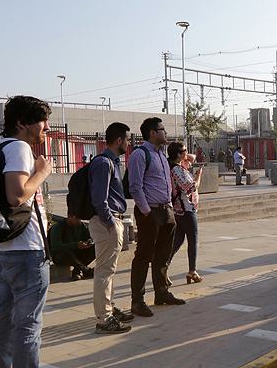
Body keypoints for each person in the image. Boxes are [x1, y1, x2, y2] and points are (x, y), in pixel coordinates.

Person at [0, 95, 52, 367]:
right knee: (28, 327)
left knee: (2, 328)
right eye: (42, 121)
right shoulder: (18, 147)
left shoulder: (0, 146)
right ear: (21, 123)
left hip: (3, 249)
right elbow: (16, 195)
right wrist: (41, 172)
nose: (46, 126)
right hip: (27, 251)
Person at [128, 117, 183, 318]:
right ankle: (137, 301)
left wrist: (170, 209)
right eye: (162, 129)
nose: (165, 133)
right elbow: (135, 186)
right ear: (152, 132)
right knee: (144, 256)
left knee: (162, 255)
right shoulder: (140, 155)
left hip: (166, 211)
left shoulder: (160, 155)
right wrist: (146, 213)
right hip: (149, 212)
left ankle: (161, 293)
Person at [89, 121, 133, 333]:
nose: (129, 143)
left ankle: (109, 309)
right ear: (118, 140)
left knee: (108, 270)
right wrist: (109, 222)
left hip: (111, 220)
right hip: (107, 222)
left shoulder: (110, 161)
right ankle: (104, 319)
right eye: (127, 139)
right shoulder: (104, 163)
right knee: (104, 272)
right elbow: (99, 198)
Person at [167, 141, 204, 285]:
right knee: (192, 239)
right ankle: (192, 271)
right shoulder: (176, 170)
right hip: (185, 210)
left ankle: (163, 269)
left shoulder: (178, 167)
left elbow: (192, 158)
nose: (186, 152)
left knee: (178, 240)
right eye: (184, 150)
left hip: (181, 210)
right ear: (178, 154)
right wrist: (198, 176)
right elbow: (190, 188)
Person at [48, 214, 94, 281]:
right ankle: (85, 269)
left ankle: (77, 270)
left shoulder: (81, 226)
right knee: (66, 251)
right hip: (60, 255)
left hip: (76, 252)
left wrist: (88, 242)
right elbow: (56, 247)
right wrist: (76, 245)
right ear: (69, 216)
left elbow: (90, 237)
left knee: (95, 248)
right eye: (76, 218)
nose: (78, 221)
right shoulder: (58, 227)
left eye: (80, 219)